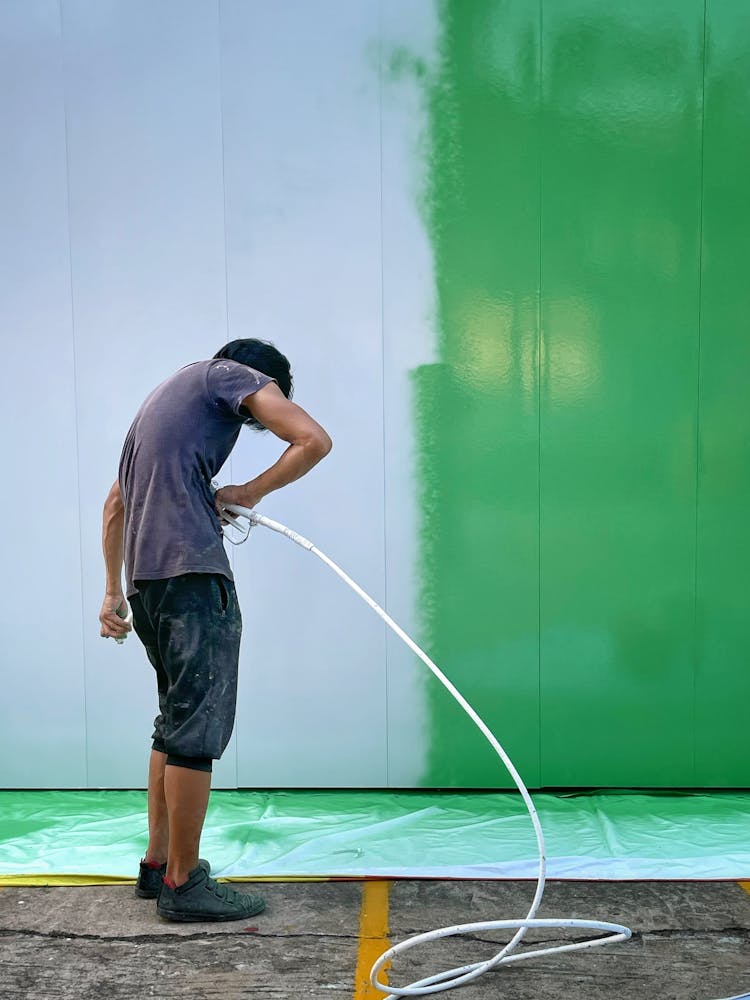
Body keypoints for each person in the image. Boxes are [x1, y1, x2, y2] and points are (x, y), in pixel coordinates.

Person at [98, 339, 332, 921]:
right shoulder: (231, 375)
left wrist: (110, 593)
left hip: (146, 584)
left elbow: (113, 507)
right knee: (197, 732)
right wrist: (246, 492)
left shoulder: (152, 413)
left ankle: (156, 868)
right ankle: (185, 884)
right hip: (193, 577)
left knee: (173, 725)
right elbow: (313, 441)